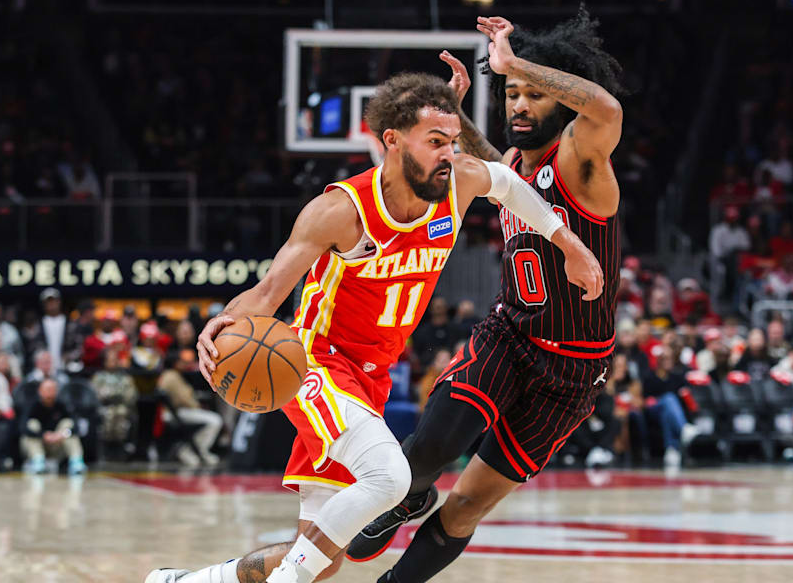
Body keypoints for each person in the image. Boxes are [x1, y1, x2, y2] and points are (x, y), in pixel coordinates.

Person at [146, 68, 601, 583]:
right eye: (435, 142)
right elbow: (269, 293)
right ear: (391, 140)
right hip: (315, 363)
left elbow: (513, 187)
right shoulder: (341, 210)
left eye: (452, 142)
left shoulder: (460, 183)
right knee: (390, 477)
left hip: (370, 379)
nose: (449, 154)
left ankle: (185, 582)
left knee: (321, 559)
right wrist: (222, 321)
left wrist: (572, 245)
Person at [348, 11, 623, 583]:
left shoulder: (581, 157)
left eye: (532, 95)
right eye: (511, 94)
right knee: (427, 452)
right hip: (509, 335)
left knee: (468, 505)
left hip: (573, 370)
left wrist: (513, 61)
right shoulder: (517, 166)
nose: (518, 104)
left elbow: (608, 108)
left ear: (561, 102)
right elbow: (495, 170)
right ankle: (404, 498)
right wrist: (453, 116)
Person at [158, 352, 223, 467]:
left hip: (175, 411)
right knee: (215, 420)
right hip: (176, 412)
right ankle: (192, 451)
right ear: (174, 363)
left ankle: (194, 451)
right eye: (180, 362)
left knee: (212, 419)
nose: (183, 364)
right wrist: (198, 406)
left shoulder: (169, 375)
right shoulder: (172, 376)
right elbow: (184, 399)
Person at [21, 378, 87, 474]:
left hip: (56, 445)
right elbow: (22, 428)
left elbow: (76, 427)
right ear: (40, 391)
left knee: (67, 424)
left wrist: (61, 434)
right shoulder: (32, 406)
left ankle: (76, 462)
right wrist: (43, 435)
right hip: (36, 445)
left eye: (52, 389)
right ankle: (37, 461)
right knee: (32, 424)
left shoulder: (62, 405)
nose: (49, 393)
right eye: (47, 389)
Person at [91, 345, 137, 458]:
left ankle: (121, 449)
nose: (112, 362)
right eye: (109, 360)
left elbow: (131, 395)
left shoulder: (126, 378)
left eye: (114, 360)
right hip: (103, 407)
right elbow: (94, 394)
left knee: (121, 413)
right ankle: (105, 450)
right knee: (107, 414)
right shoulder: (98, 377)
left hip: (121, 407)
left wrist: (116, 396)